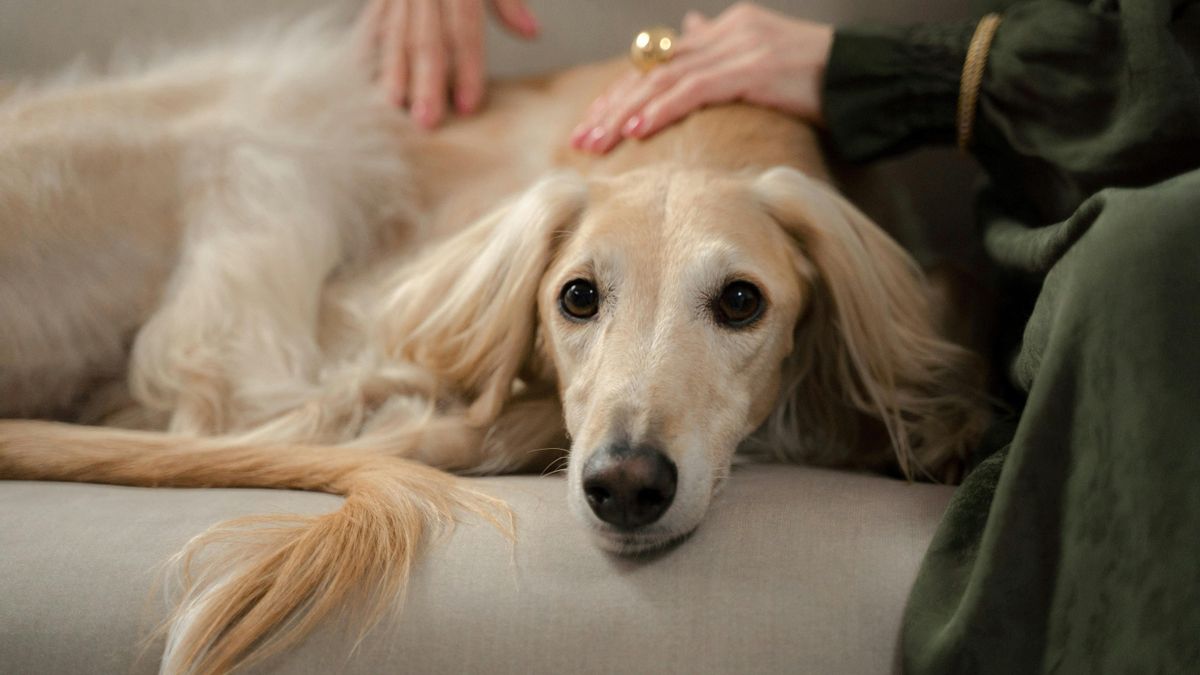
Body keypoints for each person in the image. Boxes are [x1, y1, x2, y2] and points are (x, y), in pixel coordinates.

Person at [359, 1, 1200, 672]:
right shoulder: (532, 221)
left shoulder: (849, 287)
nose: (625, 465)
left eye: (734, 305)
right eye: (582, 298)